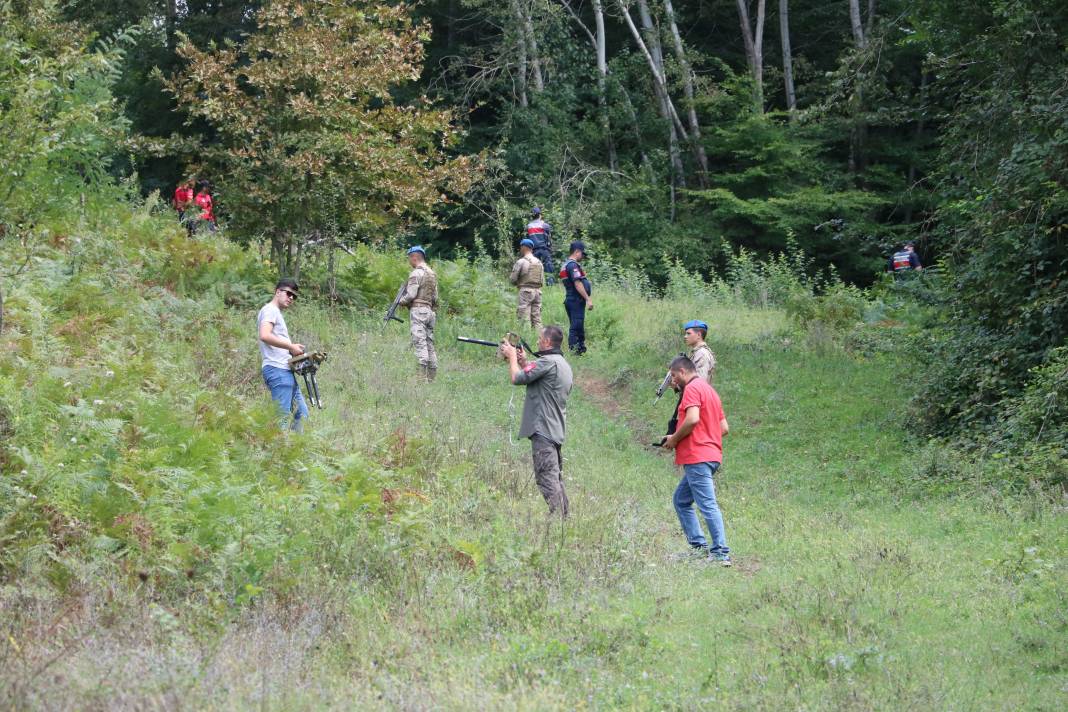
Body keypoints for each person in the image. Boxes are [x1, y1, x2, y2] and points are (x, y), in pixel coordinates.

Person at [660, 355, 731, 566]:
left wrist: (674, 439)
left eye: (673, 375)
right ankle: (699, 548)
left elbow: (692, 419)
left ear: (683, 372)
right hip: (711, 455)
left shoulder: (691, 388)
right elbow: (724, 428)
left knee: (707, 504)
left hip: (698, 457)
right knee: (681, 501)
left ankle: (720, 553)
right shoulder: (710, 390)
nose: (673, 380)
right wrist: (704, 437)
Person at [499, 325, 574, 516]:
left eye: (540, 338)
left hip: (543, 429)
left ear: (547, 342)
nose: (537, 341)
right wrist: (524, 362)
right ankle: (564, 518)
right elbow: (535, 376)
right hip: (554, 429)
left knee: (546, 478)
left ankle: (558, 520)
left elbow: (516, 378)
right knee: (555, 478)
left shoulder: (547, 361)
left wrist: (512, 357)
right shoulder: (561, 364)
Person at [257, 278, 309, 432]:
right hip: (277, 371)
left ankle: (294, 452)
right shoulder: (270, 310)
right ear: (277, 291)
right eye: (288, 293)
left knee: (302, 413)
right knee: (282, 421)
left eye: (294, 296)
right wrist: (290, 346)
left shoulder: (275, 312)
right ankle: (278, 453)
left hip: (285, 371)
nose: (291, 298)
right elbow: (264, 335)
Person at [397, 245, 439, 381]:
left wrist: (400, 302)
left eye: (409, 258)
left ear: (414, 257)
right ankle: (431, 379)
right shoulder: (432, 275)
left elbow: (411, 295)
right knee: (429, 344)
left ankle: (421, 381)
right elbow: (435, 298)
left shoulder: (416, 273)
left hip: (418, 312)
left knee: (420, 343)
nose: (409, 261)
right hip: (430, 312)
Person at [559, 241, 592, 354]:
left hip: (571, 299)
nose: (582, 257)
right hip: (575, 300)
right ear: (577, 251)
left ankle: (580, 350)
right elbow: (577, 284)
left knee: (577, 325)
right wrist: (588, 299)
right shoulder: (572, 265)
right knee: (576, 326)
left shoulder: (566, 265)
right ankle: (574, 351)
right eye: (582, 254)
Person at [509, 238, 545, 331]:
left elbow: (512, 279)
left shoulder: (521, 262)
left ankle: (526, 339)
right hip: (538, 292)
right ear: (531, 248)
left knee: (524, 318)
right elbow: (541, 281)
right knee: (537, 319)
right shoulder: (539, 263)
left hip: (525, 292)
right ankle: (540, 338)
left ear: (523, 247)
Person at [525, 207, 555, 284]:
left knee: (534, 267)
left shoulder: (529, 226)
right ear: (540, 215)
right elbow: (549, 238)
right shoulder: (545, 225)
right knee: (548, 266)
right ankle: (550, 283)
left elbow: (527, 239)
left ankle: (535, 283)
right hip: (545, 249)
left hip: (533, 250)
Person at [683, 319, 716, 384]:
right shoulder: (697, 352)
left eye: (688, 333)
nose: (685, 336)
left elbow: (699, 382)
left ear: (698, 335)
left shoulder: (702, 353)